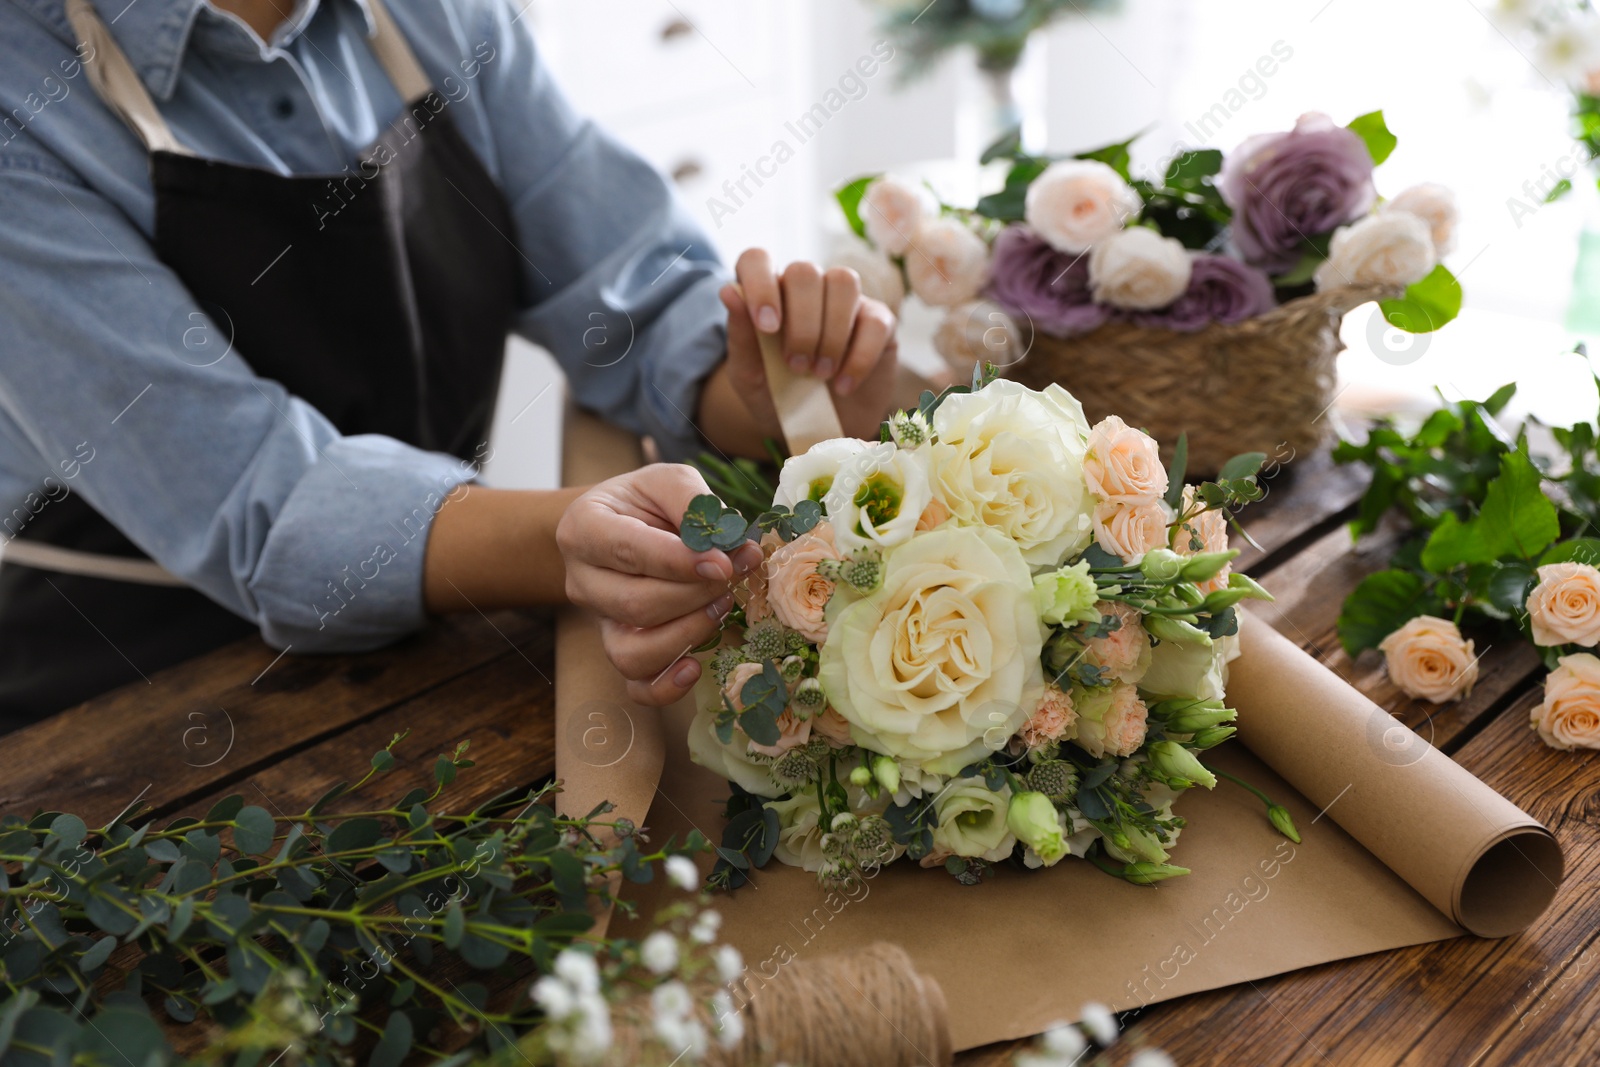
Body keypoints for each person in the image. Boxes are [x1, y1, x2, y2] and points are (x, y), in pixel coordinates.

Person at [0, 0, 897, 731]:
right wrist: (569, 538)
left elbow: (631, 295)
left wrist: (768, 383)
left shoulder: (439, 14)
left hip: (446, 636)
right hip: (128, 705)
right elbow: (259, 500)